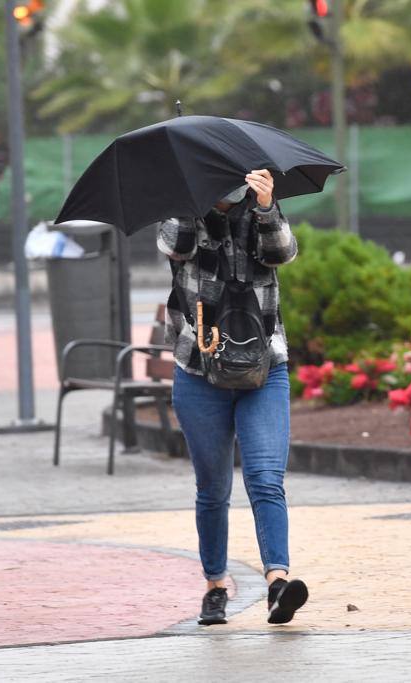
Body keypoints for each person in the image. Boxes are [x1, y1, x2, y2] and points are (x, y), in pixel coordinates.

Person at [155, 168, 308, 627]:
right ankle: (216, 586)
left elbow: (282, 253)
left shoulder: (259, 213)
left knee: (265, 478)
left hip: (264, 369)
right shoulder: (182, 216)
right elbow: (175, 247)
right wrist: (190, 197)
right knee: (213, 488)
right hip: (199, 372)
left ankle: (278, 583)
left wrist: (264, 206)